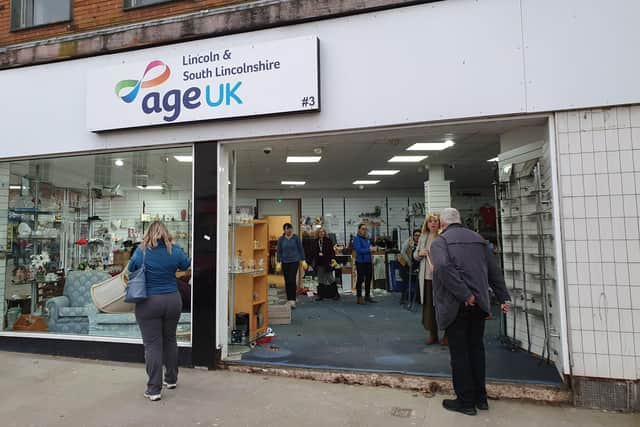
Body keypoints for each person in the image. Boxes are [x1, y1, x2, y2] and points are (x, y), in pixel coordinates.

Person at [429, 208, 511, 416]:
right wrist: (503, 297)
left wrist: (465, 295)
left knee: (460, 354)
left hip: (456, 305)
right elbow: (494, 271)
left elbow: (444, 269)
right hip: (480, 305)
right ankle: (480, 398)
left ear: (443, 223)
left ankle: (465, 402)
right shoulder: (479, 240)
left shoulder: (440, 242)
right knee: (476, 349)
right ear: (460, 220)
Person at [127, 221, 191, 402]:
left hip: (149, 301)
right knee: (170, 339)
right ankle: (171, 379)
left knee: (153, 344)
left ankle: (154, 389)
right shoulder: (175, 250)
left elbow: (131, 268)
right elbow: (186, 265)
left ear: (149, 233)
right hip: (173, 300)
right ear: (166, 233)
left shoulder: (142, 251)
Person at [413, 214, 445, 345]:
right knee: (429, 308)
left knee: (443, 306)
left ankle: (448, 334)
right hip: (426, 278)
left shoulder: (443, 237)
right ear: (426, 224)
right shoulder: (423, 237)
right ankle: (433, 334)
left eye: (435, 221)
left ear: (439, 223)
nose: (433, 223)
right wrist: (419, 254)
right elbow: (415, 255)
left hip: (441, 278)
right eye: (430, 221)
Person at [276, 223, 307, 309]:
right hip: (285, 262)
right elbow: (279, 251)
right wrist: (278, 262)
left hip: (294, 261)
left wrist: (303, 260)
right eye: (287, 229)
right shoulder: (281, 239)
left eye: (290, 229)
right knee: (287, 280)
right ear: (284, 230)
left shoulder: (296, 238)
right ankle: (289, 298)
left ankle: (292, 300)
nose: (289, 230)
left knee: (292, 279)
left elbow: (301, 249)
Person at [310, 228, 339, 301]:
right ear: (318, 233)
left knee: (330, 278)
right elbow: (313, 252)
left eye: (323, 232)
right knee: (320, 279)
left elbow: (332, 252)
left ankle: (336, 294)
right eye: (320, 232)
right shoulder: (315, 241)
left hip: (327, 262)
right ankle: (321, 295)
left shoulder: (328, 241)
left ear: (325, 233)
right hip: (319, 262)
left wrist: (332, 259)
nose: (321, 233)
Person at [352, 223, 377, 304]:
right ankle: (359, 297)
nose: (364, 230)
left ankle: (367, 296)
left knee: (368, 279)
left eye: (365, 229)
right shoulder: (356, 239)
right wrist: (369, 249)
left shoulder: (367, 239)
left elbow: (367, 249)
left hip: (368, 262)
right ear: (359, 230)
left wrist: (371, 250)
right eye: (363, 229)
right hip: (360, 262)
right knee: (360, 279)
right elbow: (359, 250)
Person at [399, 228, 421, 304]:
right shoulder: (409, 241)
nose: (417, 237)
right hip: (404, 263)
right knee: (405, 280)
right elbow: (402, 252)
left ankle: (417, 298)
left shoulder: (420, 243)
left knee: (417, 280)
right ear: (413, 236)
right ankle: (403, 298)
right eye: (416, 235)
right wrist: (408, 262)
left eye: (419, 235)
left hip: (413, 263)